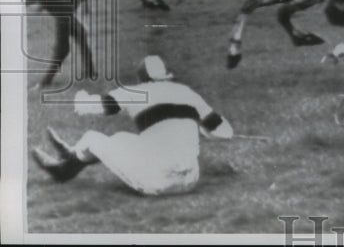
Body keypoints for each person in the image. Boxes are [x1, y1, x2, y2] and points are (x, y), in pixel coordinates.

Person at [31, 55, 233, 195]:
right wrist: (199, 128)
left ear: (141, 79)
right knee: (125, 139)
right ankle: (71, 155)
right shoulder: (187, 93)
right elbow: (225, 132)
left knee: (94, 138)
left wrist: (80, 94)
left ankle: (64, 169)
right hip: (189, 181)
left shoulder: (135, 92)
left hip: (157, 182)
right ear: (166, 77)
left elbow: (87, 107)